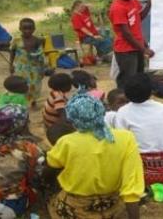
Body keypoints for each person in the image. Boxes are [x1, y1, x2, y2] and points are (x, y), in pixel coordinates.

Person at [46, 90, 144, 219]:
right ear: (102, 112)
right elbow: (132, 186)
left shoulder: (66, 142)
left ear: (72, 119)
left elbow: (51, 166)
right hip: (112, 206)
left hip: (76, 208)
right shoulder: (126, 138)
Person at [114, 73, 163, 184]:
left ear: (126, 94)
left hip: (143, 172)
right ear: (152, 91)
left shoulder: (123, 112)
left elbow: (121, 143)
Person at [109, 0, 155, 89]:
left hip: (136, 47)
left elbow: (139, 18)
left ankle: (136, 99)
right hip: (126, 50)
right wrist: (144, 49)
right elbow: (127, 34)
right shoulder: (118, 8)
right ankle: (122, 100)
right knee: (128, 79)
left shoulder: (132, 1)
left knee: (138, 77)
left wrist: (149, 4)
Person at [10, 18, 47, 107]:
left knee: (34, 84)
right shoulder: (16, 40)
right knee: (22, 84)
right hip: (21, 67)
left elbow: (41, 55)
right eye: (25, 28)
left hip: (34, 67)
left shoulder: (38, 40)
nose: (27, 31)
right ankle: (21, 102)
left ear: (34, 29)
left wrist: (43, 69)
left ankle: (33, 101)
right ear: (20, 29)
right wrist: (10, 65)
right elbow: (12, 52)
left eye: (30, 28)